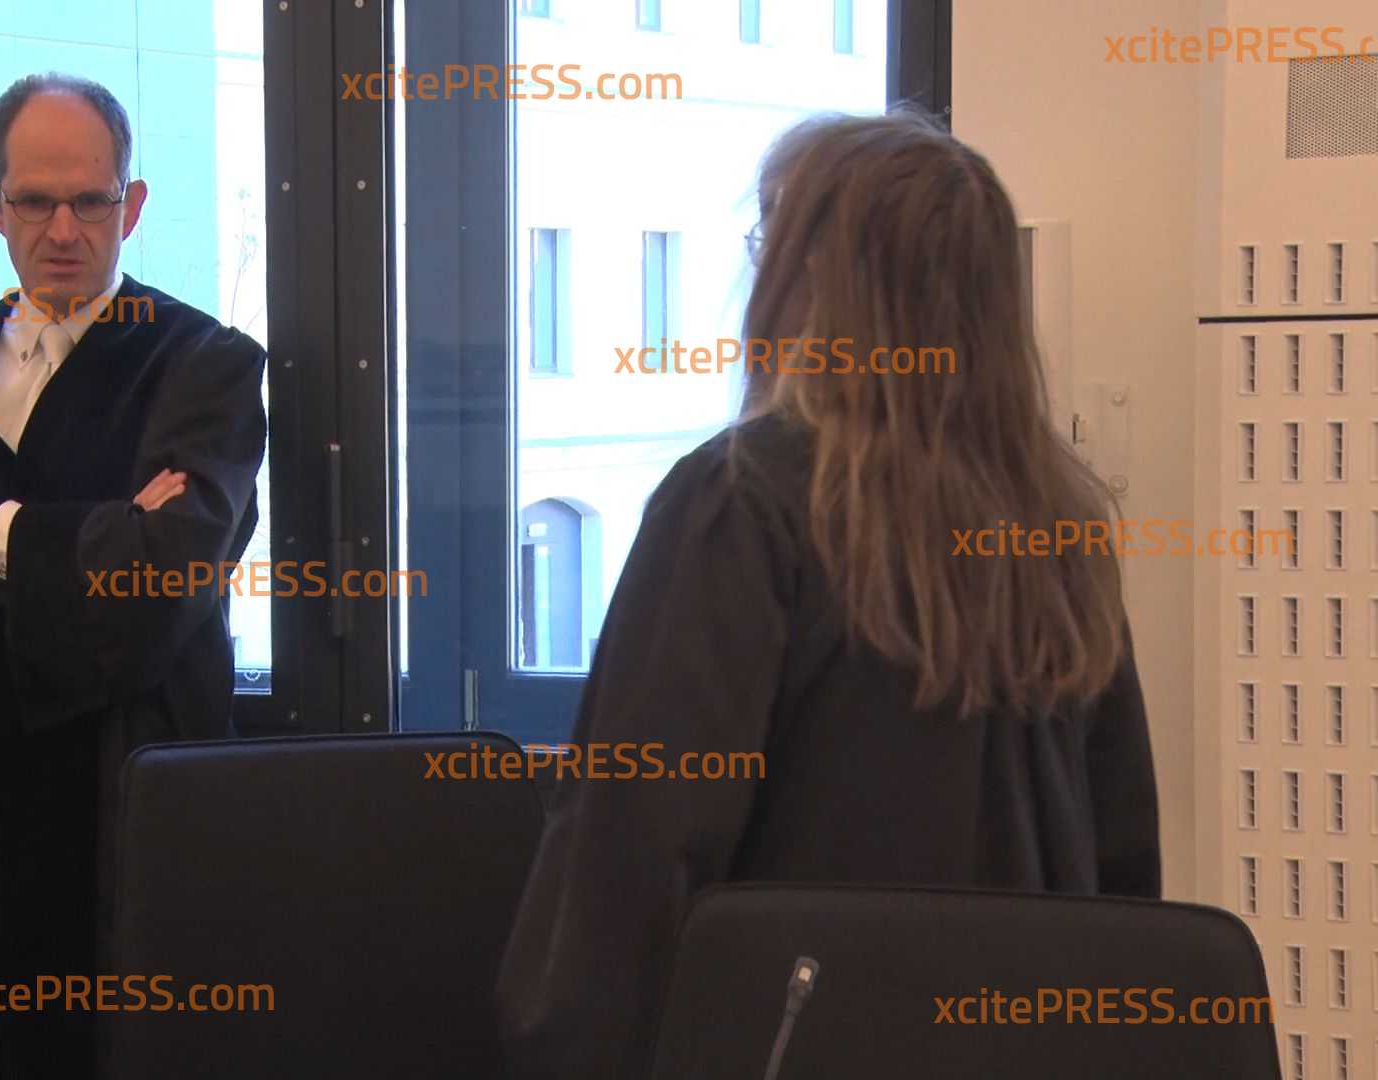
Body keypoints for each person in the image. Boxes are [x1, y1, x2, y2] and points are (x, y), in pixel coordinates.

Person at [493, 110, 1159, 1079]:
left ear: (810, 278)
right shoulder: (1059, 528)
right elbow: (1126, 877)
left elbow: (631, 862)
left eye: (767, 241)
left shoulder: (739, 503)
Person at [0, 73, 267, 1078]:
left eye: (91, 201)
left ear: (132, 205)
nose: (63, 229)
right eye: (34, 200)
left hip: (121, 806)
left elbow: (161, 581)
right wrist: (90, 547)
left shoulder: (206, 370)